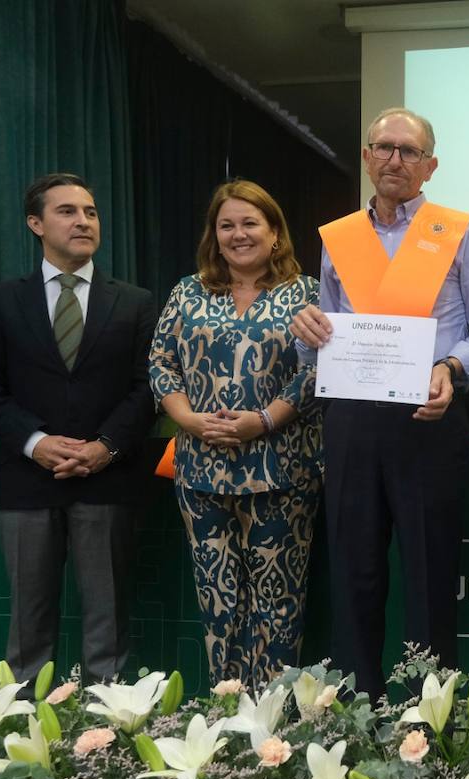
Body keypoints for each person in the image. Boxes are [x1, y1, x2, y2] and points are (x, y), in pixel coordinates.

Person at [291, 107, 469, 699]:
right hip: (354, 422)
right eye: (383, 147)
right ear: (365, 157)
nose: (394, 159)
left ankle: (427, 719)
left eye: (409, 152)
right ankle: (358, 709)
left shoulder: (456, 231)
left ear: (430, 166)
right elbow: (326, 339)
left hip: (430, 418)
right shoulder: (340, 240)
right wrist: (307, 332)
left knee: (429, 575)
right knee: (354, 572)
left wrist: (452, 367)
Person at [0, 173, 156, 684]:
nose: (83, 221)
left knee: (108, 623)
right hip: (27, 482)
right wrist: (36, 442)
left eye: (90, 212)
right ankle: (24, 737)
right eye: (67, 211)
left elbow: (148, 388)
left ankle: (108, 737)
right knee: (28, 627)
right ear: (35, 224)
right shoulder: (0, 299)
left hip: (108, 478)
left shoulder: (135, 301)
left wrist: (106, 447)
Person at [149, 180, 322, 686]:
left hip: (281, 469)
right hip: (200, 471)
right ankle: (227, 716)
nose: (238, 234)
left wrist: (265, 419)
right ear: (214, 233)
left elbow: (319, 370)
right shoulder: (187, 292)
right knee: (218, 600)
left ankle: (273, 722)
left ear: (274, 233)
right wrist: (188, 420)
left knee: (278, 601)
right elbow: (161, 365)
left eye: (250, 223)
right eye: (227, 225)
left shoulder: (307, 293)